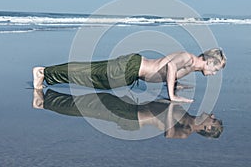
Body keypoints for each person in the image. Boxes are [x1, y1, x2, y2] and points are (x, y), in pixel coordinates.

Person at [33, 48, 226, 103]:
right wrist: (172, 96)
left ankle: (48, 75)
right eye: (216, 69)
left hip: (132, 71)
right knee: (91, 73)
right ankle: (44, 72)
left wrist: (176, 85)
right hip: (131, 67)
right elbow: (171, 67)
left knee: (94, 77)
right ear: (209, 61)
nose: (214, 73)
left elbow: (170, 72)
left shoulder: (192, 65)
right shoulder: (188, 58)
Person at [33, 89, 223, 139]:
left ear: (206, 128)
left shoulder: (186, 131)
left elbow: (168, 134)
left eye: (213, 120)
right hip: (133, 107)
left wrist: (170, 110)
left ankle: (45, 103)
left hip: (130, 117)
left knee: (90, 107)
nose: (212, 115)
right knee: (95, 99)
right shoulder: (188, 117)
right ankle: (50, 98)